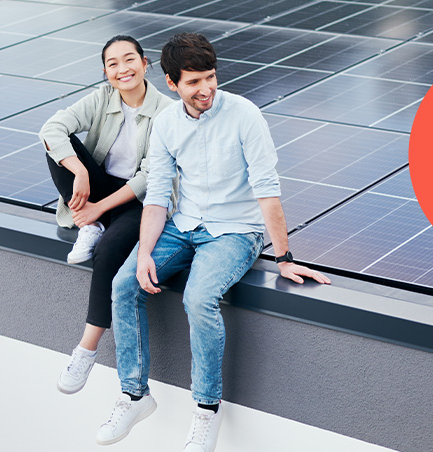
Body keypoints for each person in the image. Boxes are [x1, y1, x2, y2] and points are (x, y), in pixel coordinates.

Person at [94, 33, 331, 451]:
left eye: (210, 77)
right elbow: (158, 193)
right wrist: (145, 253)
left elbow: (267, 190)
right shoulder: (166, 123)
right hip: (183, 224)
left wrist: (284, 257)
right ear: (171, 83)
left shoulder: (245, 115)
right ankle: (134, 394)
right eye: (193, 82)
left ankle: (206, 410)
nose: (205, 89)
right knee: (123, 283)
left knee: (198, 298)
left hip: (236, 230)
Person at [40, 35, 173, 395]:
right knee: (56, 149)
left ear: (146, 65)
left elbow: (150, 176)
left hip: (137, 200)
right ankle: (93, 224)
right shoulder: (102, 97)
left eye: (129, 60)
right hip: (97, 187)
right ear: (106, 73)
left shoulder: (166, 112)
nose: (122, 69)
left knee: (108, 252)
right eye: (112, 64)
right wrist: (80, 172)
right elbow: (51, 130)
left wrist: (100, 205)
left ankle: (86, 349)